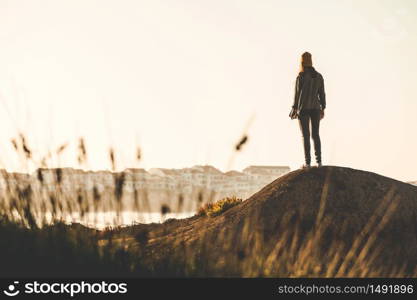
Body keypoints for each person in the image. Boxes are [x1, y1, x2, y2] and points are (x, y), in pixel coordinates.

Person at [291, 52, 326, 168]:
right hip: (316, 108)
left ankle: (307, 163)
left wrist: (294, 108)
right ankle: (319, 162)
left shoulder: (301, 76)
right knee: (316, 135)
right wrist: (323, 107)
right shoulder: (319, 76)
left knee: (305, 136)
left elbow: (297, 94)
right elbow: (322, 93)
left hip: (304, 109)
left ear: (302, 62)